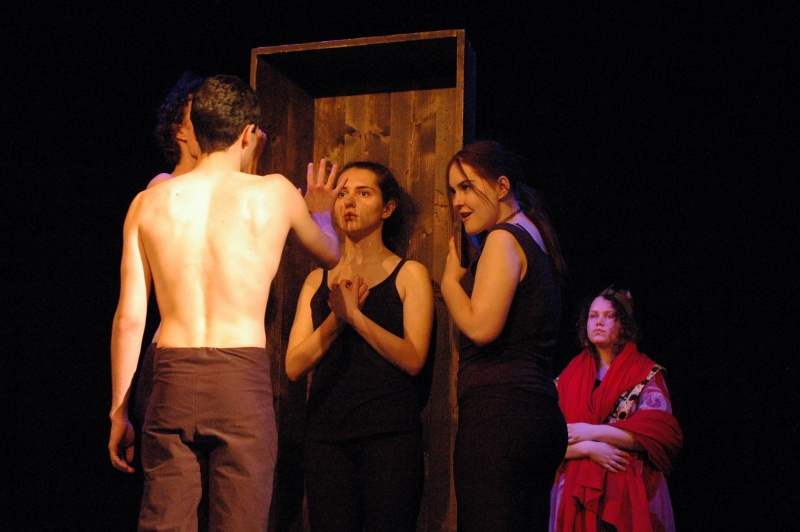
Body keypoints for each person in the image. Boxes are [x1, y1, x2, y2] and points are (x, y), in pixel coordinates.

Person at [108, 74, 346, 531]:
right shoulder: (274, 193)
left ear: (194, 128)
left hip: (171, 379)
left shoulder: (148, 202)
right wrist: (319, 212)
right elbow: (331, 253)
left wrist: (119, 409)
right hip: (239, 379)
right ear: (247, 133)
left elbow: (130, 318)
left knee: (165, 523)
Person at [285, 161, 434, 531]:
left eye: (363, 193)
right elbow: (293, 365)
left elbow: (414, 358)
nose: (349, 202)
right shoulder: (317, 280)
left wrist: (355, 316)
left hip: (390, 435)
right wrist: (337, 319)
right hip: (327, 437)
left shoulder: (409, 274)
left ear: (387, 208)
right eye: (342, 194)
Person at [441, 140, 569, 530]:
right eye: (453, 191)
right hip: (536, 416)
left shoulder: (503, 238)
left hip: (501, 418)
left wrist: (449, 284)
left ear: (501, 187)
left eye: (466, 187)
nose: (457, 201)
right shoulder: (537, 236)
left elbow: (482, 328)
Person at [130, 72, 266, 432]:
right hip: (171, 355)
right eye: (199, 117)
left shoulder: (227, 189)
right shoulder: (162, 187)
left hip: (223, 356)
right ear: (181, 131)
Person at [550, 287, 683, 532]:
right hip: (576, 491)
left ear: (623, 325)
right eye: (593, 316)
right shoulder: (569, 377)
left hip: (627, 488)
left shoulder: (644, 373)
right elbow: (547, 441)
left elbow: (657, 435)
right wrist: (589, 449)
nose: (599, 322)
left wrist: (592, 432)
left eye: (608, 316)